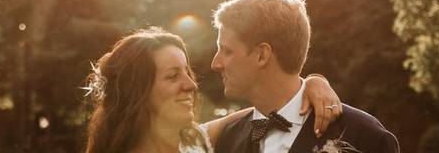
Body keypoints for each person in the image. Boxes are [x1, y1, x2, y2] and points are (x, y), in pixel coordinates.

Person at [83, 27, 342, 153]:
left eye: (188, 72)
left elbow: (273, 104)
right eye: (173, 76)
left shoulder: (197, 141)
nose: (191, 85)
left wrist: (312, 82)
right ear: (136, 91)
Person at [211, 0, 400, 153]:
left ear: (262, 55)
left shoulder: (365, 137)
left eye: (227, 51)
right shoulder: (228, 139)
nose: (215, 64)